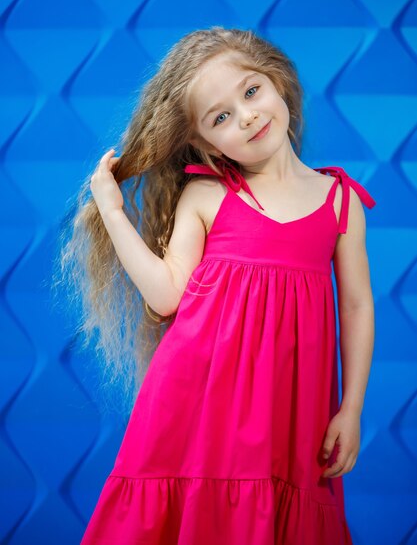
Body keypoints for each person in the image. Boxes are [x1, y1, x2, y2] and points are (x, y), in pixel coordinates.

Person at [64, 26, 376, 544]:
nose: (247, 116)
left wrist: (352, 408)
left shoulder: (340, 202)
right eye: (220, 117)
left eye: (251, 92)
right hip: (196, 408)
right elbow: (166, 297)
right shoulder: (207, 197)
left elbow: (359, 308)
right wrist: (114, 213)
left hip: (290, 417)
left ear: (276, 82)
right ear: (201, 142)